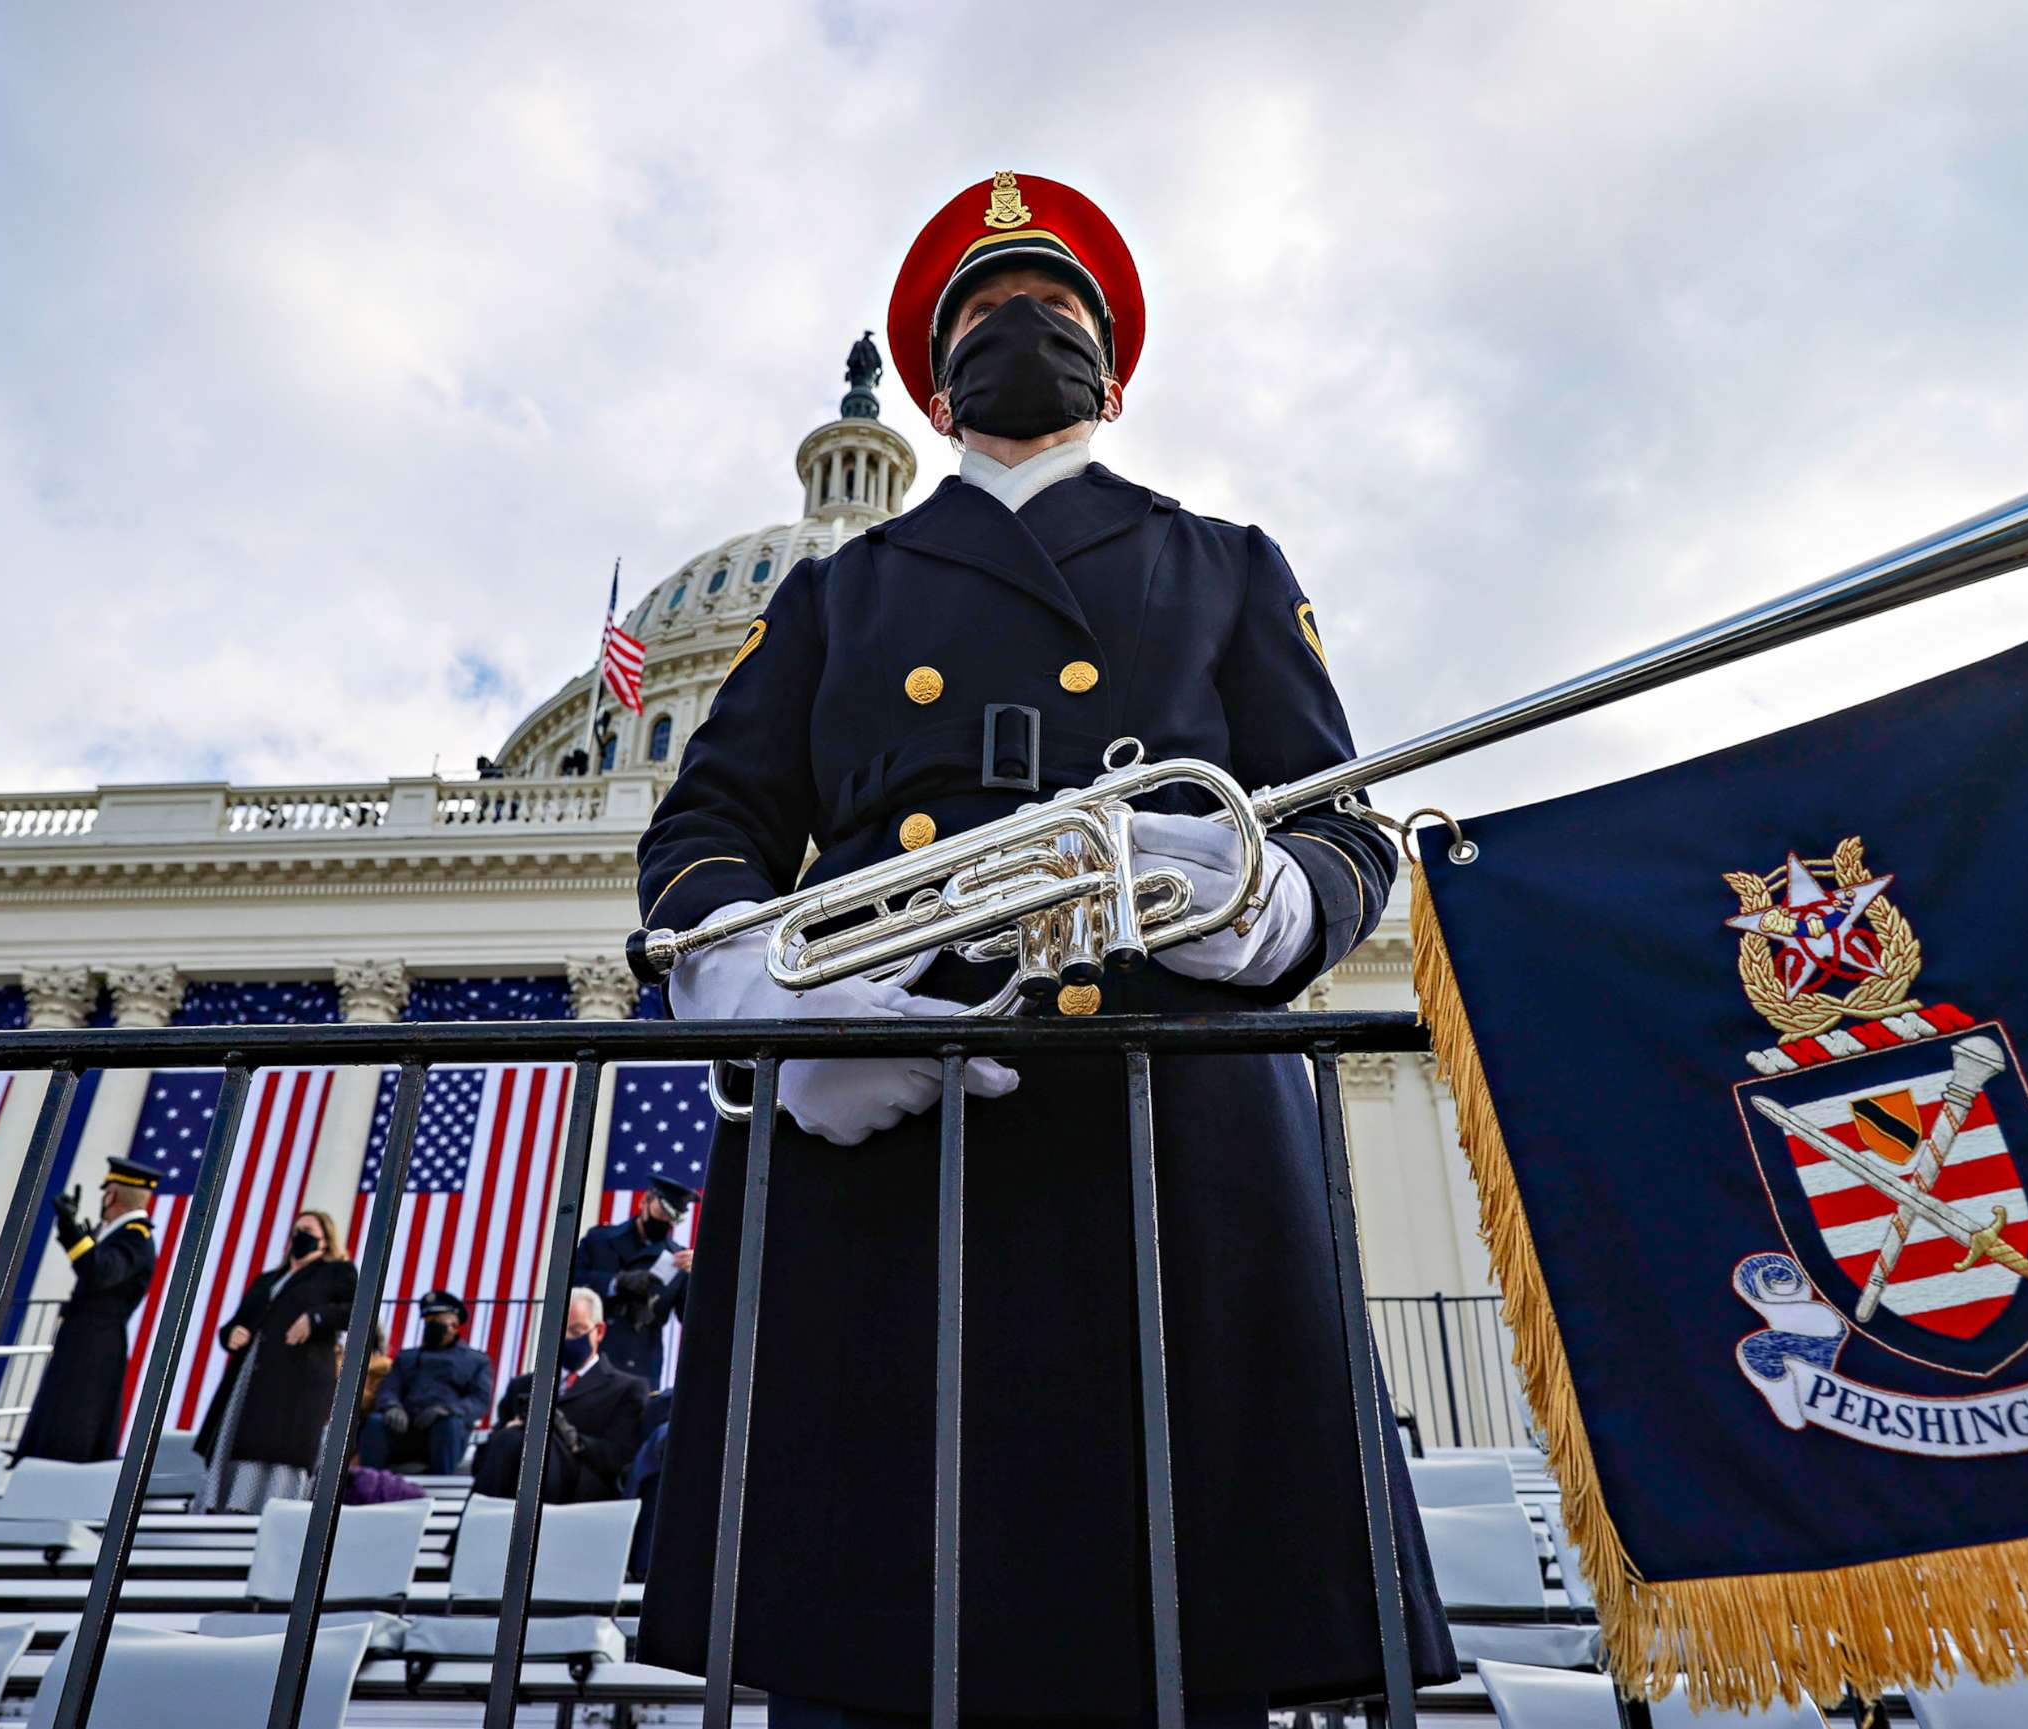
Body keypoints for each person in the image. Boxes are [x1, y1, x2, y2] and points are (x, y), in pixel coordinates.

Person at [631, 173, 1453, 1720]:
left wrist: (1265, 898)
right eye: (990, 317)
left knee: (1179, 1645)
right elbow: (704, 835)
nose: (1027, 333)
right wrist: (768, 1004)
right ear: (939, 384)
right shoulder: (834, 595)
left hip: (1169, 1140)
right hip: (885, 1146)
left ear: (1114, 375)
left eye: (1058, 314)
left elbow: (1353, 836)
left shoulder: (1224, 562)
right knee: (869, 1653)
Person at [192, 1209, 358, 1513]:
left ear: (326, 1239)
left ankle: (274, 1509)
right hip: (253, 1376)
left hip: (298, 1378)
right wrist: (232, 1333)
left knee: (281, 1447)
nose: (300, 1236)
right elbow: (237, 1321)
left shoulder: (337, 1273)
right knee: (242, 1440)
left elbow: (357, 1310)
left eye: (308, 1230)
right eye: (296, 1230)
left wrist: (315, 1318)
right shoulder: (269, 1279)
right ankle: (229, 1505)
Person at [14, 1156, 160, 1463]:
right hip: (87, 1334)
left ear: (112, 1195)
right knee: (61, 1400)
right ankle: (41, 1457)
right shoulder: (121, 1234)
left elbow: (99, 1273)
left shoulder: (135, 1236)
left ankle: (61, 1465)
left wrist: (71, 1230)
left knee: (78, 1408)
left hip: (97, 1338)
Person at [467, 1286, 646, 1505]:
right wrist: (508, 1431)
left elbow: (620, 1459)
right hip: (510, 1482)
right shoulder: (523, 1385)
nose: (567, 1339)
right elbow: (481, 1461)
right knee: (510, 1439)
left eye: (576, 1330)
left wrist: (573, 1440)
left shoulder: (627, 1388)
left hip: (576, 1495)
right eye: (560, 1330)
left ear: (598, 1331)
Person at [570, 1174, 694, 1384]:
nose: (665, 1221)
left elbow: (689, 1317)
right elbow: (572, 1283)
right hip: (592, 1356)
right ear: (644, 1200)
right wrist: (616, 1283)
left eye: (673, 1217)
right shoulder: (600, 1240)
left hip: (640, 1365)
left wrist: (698, 1278)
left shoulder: (678, 1260)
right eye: (662, 1211)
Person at [357, 1289, 494, 1476]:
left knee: (448, 1424)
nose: (430, 1324)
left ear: (454, 1325)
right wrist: (392, 1407)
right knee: (375, 1423)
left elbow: (480, 1400)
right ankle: (368, 1482)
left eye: (437, 1320)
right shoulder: (406, 1357)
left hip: (444, 1434)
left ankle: (440, 1488)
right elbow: (389, 1389)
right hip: (406, 1429)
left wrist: (448, 1410)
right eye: (428, 1320)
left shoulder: (476, 1360)